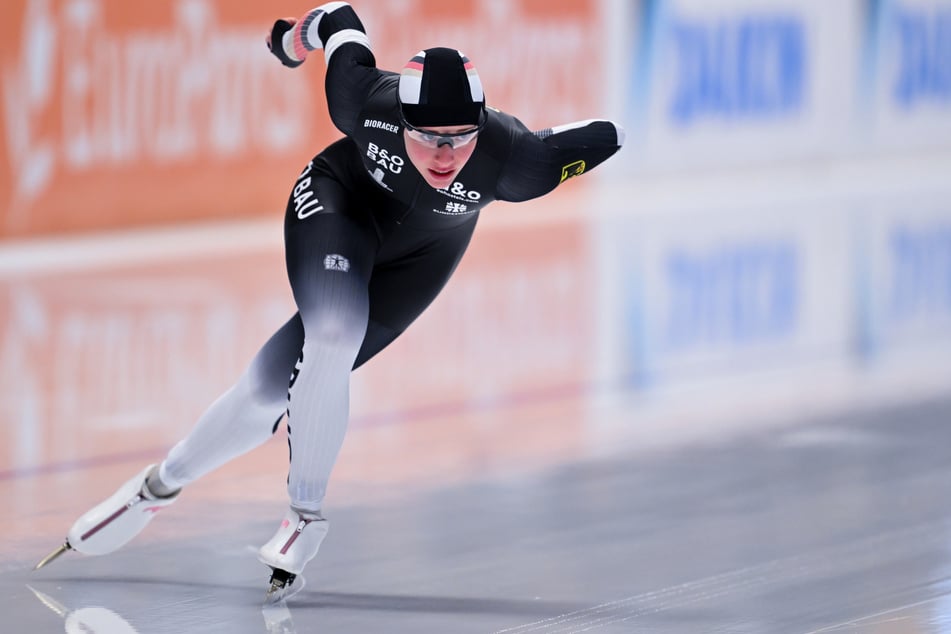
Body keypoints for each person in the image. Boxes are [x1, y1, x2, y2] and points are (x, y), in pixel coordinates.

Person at [34, 2, 625, 602]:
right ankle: (306, 518)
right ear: (400, 121)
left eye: (459, 139)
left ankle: (158, 486)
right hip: (339, 204)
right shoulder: (362, 99)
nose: (445, 157)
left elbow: (607, 133)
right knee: (334, 335)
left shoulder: (516, 161)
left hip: (424, 257)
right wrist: (292, 41)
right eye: (427, 138)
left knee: (269, 387)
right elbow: (339, 18)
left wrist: (576, 135)